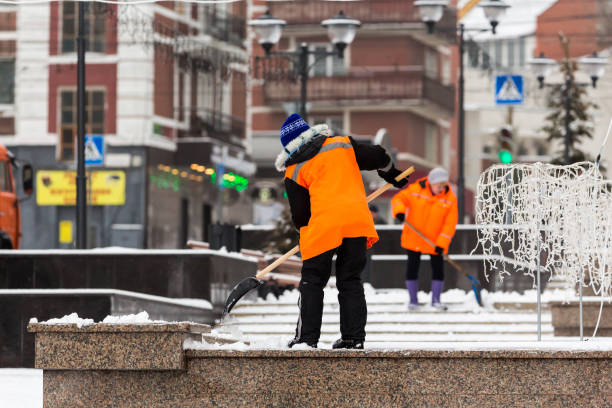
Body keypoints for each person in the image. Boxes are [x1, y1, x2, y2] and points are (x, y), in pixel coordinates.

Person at [277, 113, 408, 349]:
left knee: (312, 282)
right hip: (356, 222)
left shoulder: (294, 170)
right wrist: (390, 173)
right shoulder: (340, 144)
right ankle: (353, 338)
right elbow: (379, 155)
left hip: (322, 227)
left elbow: (301, 216)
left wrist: (304, 236)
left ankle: (306, 339)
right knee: (350, 280)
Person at [391, 167, 458, 310]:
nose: (441, 189)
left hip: (435, 242)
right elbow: (399, 199)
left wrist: (442, 243)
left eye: (443, 186)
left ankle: (436, 300)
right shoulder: (415, 190)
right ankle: (413, 301)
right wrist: (399, 212)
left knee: (438, 269)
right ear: (430, 182)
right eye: (438, 186)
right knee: (412, 267)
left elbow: (449, 224)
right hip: (414, 236)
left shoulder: (450, 199)